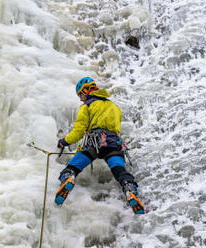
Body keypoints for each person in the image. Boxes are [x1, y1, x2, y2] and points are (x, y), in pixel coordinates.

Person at [55, 77, 144, 214]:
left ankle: (68, 179)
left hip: (94, 143)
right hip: (114, 144)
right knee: (120, 171)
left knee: (72, 167)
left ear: (86, 91)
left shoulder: (87, 106)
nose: (80, 99)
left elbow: (78, 131)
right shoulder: (114, 107)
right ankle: (130, 189)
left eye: (80, 95)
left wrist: (64, 142)